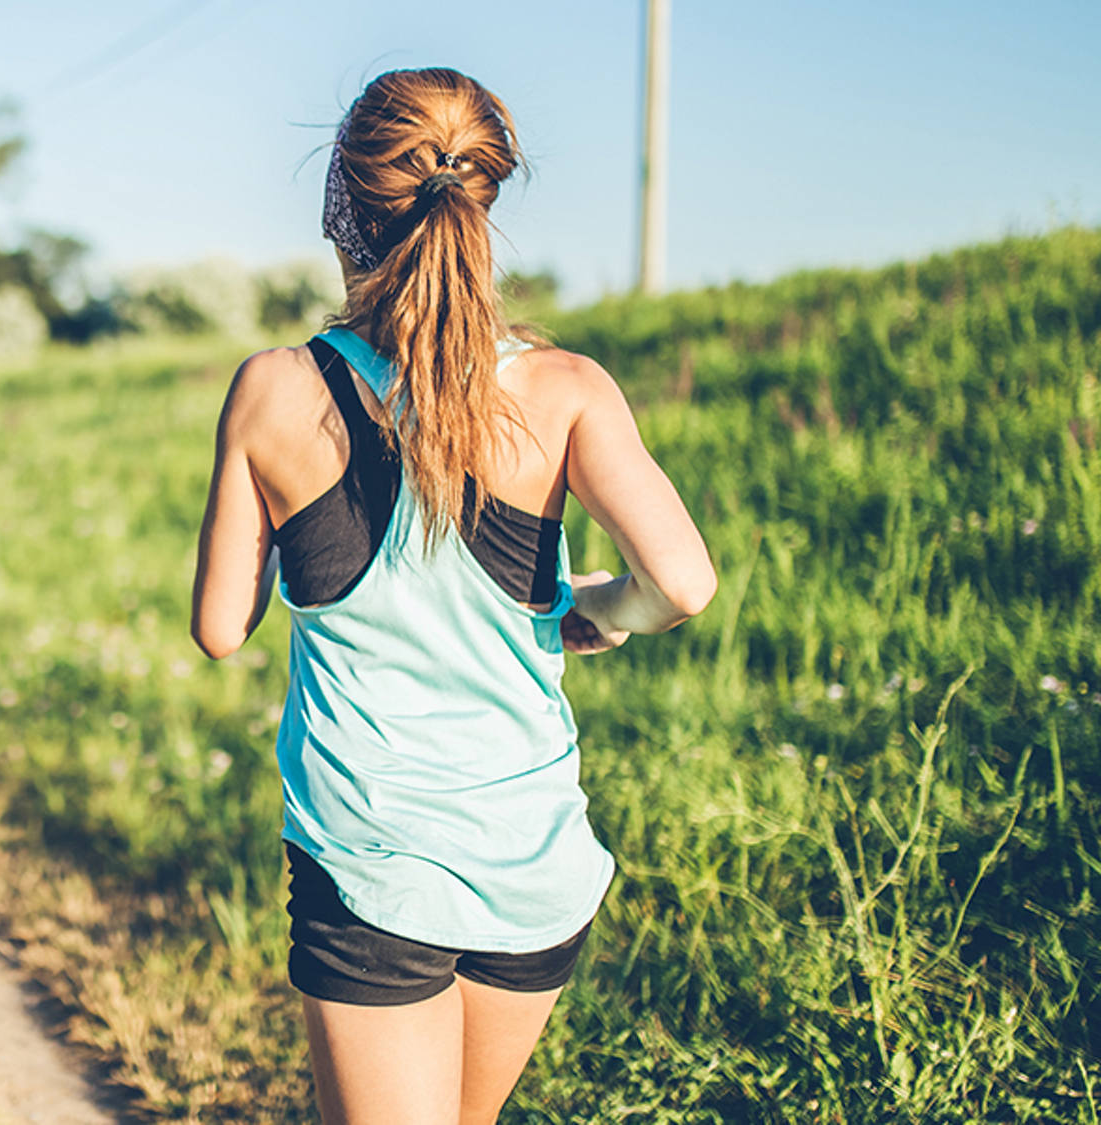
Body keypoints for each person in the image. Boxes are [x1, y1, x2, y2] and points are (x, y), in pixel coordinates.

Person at [191, 67, 716, 1125]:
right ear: (481, 197)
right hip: (532, 865)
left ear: (343, 207)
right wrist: (593, 612)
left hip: (370, 864)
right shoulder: (568, 388)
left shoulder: (276, 387)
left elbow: (218, 629)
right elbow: (683, 583)